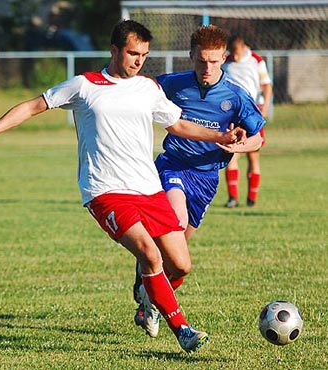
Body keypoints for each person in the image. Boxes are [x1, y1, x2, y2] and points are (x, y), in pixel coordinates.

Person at [0, 20, 247, 353]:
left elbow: (179, 123)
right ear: (114, 51)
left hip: (148, 189)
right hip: (106, 191)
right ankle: (182, 329)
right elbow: (33, 105)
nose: (138, 60)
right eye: (132, 53)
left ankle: (147, 299)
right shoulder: (85, 86)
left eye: (143, 54)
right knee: (149, 254)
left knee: (181, 264)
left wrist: (221, 136)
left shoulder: (148, 88)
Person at [133, 25, 266, 336]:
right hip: (172, 167)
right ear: (191, 55)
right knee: (175, 223)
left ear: (224, 58)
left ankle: (147, 298)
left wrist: (238, 145)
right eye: (201, 61)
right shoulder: (172, 83)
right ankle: (152, 290)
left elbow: (259, 139)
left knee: (177, 262)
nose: (207, 68)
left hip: (206, 180)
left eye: (214, 61)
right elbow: (136, 91)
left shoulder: (235, 96)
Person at [222, 35, 273, 208]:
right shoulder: (226, 62)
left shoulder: (256, 60)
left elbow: (266, 85)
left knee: (253, 155)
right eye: (232, 54)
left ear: (243, 48)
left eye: (237, 54)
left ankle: (251, 198)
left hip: (253, 113)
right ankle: (233, 198)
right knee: (231, 153)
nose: (235, 58)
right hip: (233, 114)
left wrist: (265, 107)